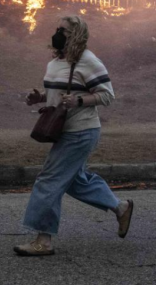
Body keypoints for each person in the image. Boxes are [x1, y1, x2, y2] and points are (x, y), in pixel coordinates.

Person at [14, 15, 133, 256]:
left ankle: (43, 240)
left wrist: (79, 100)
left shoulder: (88, 61)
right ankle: (120, 208)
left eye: (64, 31)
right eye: (57, 28)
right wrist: (39, 98)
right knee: (74, 181)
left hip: (81, 131)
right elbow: (58, 95)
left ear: (76, 34)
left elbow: (107, 95)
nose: (58, 33)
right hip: (64, 130)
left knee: (49, 179)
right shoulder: (57, 61)